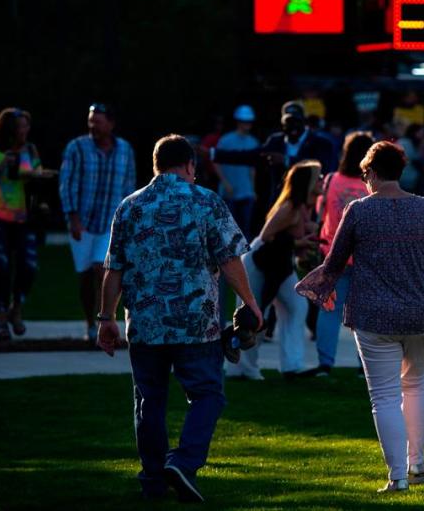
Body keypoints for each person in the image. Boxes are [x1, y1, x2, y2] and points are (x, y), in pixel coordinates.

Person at [96, 134, 262, 503]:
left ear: (156, 164)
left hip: (145, 323)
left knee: (149, 402)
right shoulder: (206, 202)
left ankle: (152, 480)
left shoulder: (130, 206)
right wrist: (249, 303)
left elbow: (113, 269)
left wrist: (105, 317)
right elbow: (230, 260)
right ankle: (184, 463)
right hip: (195, 322)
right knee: (208, 395)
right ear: (189, 165)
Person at [295, 141, 424, 493]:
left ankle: (398, 476)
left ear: (370, 172)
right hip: (422, 312)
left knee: (384, 395)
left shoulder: (358, 211)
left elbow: (336, 262)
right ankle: (417, 462)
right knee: (417, 385)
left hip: (374, 315)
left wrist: (315, 288)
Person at [225, 161, 322, 381]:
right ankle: (242, 369)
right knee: (254, 315)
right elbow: (267, 236)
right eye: (318, 177)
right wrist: (299, 244)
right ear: (306, 182)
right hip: (260, 262)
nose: (322, 180)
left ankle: (292, 365)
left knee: (297, 306)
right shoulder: (289, 207)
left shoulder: (304, 206)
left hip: (279, 264)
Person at [297, 131, 375, 377]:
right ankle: (365, 365)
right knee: (364, 314)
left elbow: (321, 214)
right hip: (365, 256)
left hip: (332, 254)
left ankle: (325, 363)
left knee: (329, 310)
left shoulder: (331, 180)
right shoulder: (372, 185)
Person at [58, 103, 136, 341]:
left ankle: (107, 319)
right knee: (85, 277)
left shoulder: (125, 150)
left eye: (98, 121)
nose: (93, 125)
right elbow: (67, 182)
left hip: (110, 225)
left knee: (101, 268)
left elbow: (129, 186)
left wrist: (129, 220)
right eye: (91, 120)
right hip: (82, 222)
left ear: (111, 124)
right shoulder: (77, 148)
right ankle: (90, 322)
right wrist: (72, 217)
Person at [0, 108, 46, 341]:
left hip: (22, 217)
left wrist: (37, 177)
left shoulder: (29, 150)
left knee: (29, 265)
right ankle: (2, 318)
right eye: (21, 127)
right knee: (2, 267)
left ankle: (17, 306)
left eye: (27, 126)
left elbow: (36, 175)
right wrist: (0, 166)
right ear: (9, 129)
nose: (25, 131)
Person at [262, 101, 338, 198]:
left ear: (304, 121)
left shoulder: (322, 143)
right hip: (281, 199)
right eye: (289, 122)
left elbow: (321, 167)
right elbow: (256, 155)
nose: (293, 126)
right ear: (282, 123)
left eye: (296, 121)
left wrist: (286, 160)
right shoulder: (275, 141)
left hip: (309, 199)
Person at [214, 105, 260, 239]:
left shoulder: (253, 142)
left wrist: (253, 189)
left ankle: (244, 259)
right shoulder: (226, 140)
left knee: (245, 229)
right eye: (245, 121)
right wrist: (224, 183)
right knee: (228, 229)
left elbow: (252, 168)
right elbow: (216, 162)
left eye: (249, 122)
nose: (247, 125)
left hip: (246, 192)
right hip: (229, 192)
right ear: (238, 121)